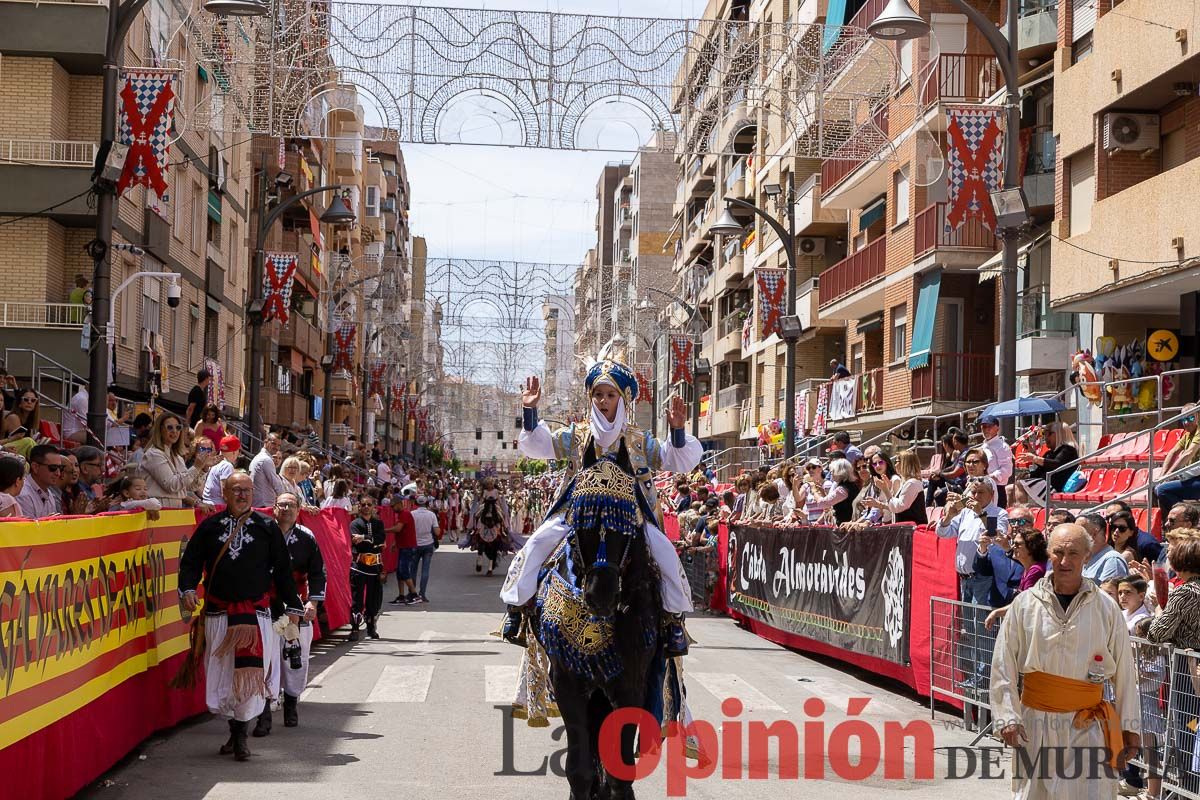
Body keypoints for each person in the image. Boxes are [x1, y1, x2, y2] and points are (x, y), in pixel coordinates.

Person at [502, 361, 702, 653]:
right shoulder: (577, 436)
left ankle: (672, 621)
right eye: (598, 395)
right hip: (577, 514)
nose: (603, 401)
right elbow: (539, 446)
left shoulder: (638, 440)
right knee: (536, 544)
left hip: (629, 516)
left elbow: (676, 459)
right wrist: (530, 413)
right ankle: (517, 609)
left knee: (664, 553)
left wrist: (679, 431)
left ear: (622, 399)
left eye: (610, 395)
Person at [990, 523, 1141, 799]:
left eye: (1073, 553)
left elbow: (1125, 672)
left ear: (1087, 555)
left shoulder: (1106, 608)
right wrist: (1007, 717)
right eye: (1058, 552)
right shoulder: (1025, 604)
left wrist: (1130, 726)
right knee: (1036, 793)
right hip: (1035, 723)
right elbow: (1003, 663)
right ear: (1048, 553)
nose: (1065, 560)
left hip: (1088, 725)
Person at [177, 471, 302, 762]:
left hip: (256, 617)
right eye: (236, 489)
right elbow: (191, 561)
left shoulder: (267, 527)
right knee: (222, 673)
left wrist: (294, 608)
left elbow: (283, 571)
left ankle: (242, 736)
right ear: (225, 492)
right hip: (219, 614)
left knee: (250, 676)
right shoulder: (210, 526)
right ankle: (234, 730)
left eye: (247, 489)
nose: (243, 494)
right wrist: (186, 588)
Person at [936, 477, 1009, 690]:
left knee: (982, 628)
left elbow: (997, 535)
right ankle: (978, 675)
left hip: (984, 578)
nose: (975, 497)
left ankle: (985, 677)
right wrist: (948, 516)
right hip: (965, 579)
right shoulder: (966, 513)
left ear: (991, 495)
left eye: (981, 493)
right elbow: (944, 532)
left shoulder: (999, 513)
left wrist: (981, 513)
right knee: (970, 628)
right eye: (973, 493)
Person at [1146, 527, 1200, 794]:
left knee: (1187, 727)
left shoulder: (1184, 593)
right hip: (1192, 668)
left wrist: (1158, 608)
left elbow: (1157, 633)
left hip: (1187, 672)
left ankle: (1188, 788)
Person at [270, 493, 325, 729]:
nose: (286, 509)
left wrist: (312, 602)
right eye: (281, 504)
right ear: (274, 509)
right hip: (267, 604)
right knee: (268, 658)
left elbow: (317, 572)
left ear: (299, 508)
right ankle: (264, 708)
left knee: (296, 657)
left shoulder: (306, 537)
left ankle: (291, 702)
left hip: (297, 604)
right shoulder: (263, 534)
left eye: (291, 505)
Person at [141, 413, 214, 508]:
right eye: (170, 427)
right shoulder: (153, 454)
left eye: (178, 427)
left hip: (176, 510)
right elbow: (172, 485)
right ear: (160, 429)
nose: (175, 431)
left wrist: (203, 469)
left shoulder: (177, 456)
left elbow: (189, 486)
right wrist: (196, 467)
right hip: (157, 510)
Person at [348, 494, 386, 641]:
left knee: (373, 600)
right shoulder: (355, 523)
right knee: (357, 599)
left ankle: (371, 628)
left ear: (373, 507)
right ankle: (355, 628)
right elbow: (358, 543)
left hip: (375, 567)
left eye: (369, 505)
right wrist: (372, 541)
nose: (366, 507)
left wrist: (364, 538)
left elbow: (381, 539)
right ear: (359, 506)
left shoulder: (378, 523)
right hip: (359, 566)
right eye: (363, 505)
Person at [1155, 404, 1200, 514]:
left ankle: (1189, 517)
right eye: (1183, 419)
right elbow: (1173, 452)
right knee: (1155, 488)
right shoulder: (1187, 435)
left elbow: (1189, 453)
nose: (1186, 422)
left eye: (1190, 418)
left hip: (1197, 478)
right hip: (1191, 477)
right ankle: (1167, 524)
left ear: (1198, 416)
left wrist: (1169, 475)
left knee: (1163, 490)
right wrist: (1162, 476)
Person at [1021, 421, 1080, 495]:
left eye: (1048, 434)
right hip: (1046, 485)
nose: (1045, 437)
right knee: (1012, 487)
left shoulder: (1068, 450)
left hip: (1055, 487)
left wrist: (1035, 458)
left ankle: (1020, 506)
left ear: (1059, 434)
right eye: (1044, 434)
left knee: (1019, 486)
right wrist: (1027, 475)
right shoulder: (1050, 453)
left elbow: (1056, 464)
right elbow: (1041, 469)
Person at [805, 458, 860, 525]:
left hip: (844, 526)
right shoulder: (852, 485)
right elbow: (828, 504)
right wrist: (822, 493)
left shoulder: (842, 489)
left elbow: (822, 503)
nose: (831, 475)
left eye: (832, 472)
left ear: (839, 472)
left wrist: (814, 491)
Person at [387, 494, 419, 605]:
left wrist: (384, 530)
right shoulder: (401, 514)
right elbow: (402, 531)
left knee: (404, 571)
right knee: (400, 573)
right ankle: (401, 596)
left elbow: (398, 528)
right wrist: (395, 543)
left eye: (393, 506)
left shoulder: (404, 514)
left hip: (407, 546)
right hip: (403, 546)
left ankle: (414, 594)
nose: (392, 509)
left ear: (399, 504)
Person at [16, 443, 63, 519]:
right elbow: (27, 529)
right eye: (53, 467)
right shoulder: (23, 494)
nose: (58, 473)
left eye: (60, 468)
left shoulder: (50, 494)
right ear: (35, 467)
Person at [1081, 511, 1129, 583]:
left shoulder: (1112, 560)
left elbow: (1109, 592)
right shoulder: (1084, 557)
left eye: (1079, 532)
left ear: (1094, 533)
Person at [978, 414, 1014, 508]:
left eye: (989, 427)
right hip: (981, 487)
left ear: (997, 428)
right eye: (983, 427)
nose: (985, 430)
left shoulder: (1002, 446)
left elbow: (1007, 469)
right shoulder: (982, 447)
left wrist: (990, 477)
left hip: (996, 489)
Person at [410, 495, 440, 603]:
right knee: (425, 570)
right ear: (427, 503)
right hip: (428, 544)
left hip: (415, 544)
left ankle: (412, 592)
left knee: (413, 569)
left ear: (416, 503)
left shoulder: (412, 514)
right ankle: (422, 593)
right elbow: (437, 532)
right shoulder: (431, 515)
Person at [203, 435, 243, 507]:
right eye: (238, 451)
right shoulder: (227, 466)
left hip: (208, 506)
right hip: (218, 508)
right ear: (234, 452)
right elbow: (225, 494)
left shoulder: (214, 463)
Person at [249, 433, 286, 508]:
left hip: (259, 503)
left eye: (279, 445)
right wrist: (286, 500)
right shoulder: (266, 460)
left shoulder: (259, 457)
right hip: (264, 505)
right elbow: (276, 485)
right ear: (265, 442)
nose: (276, 447)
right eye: (273, 443)